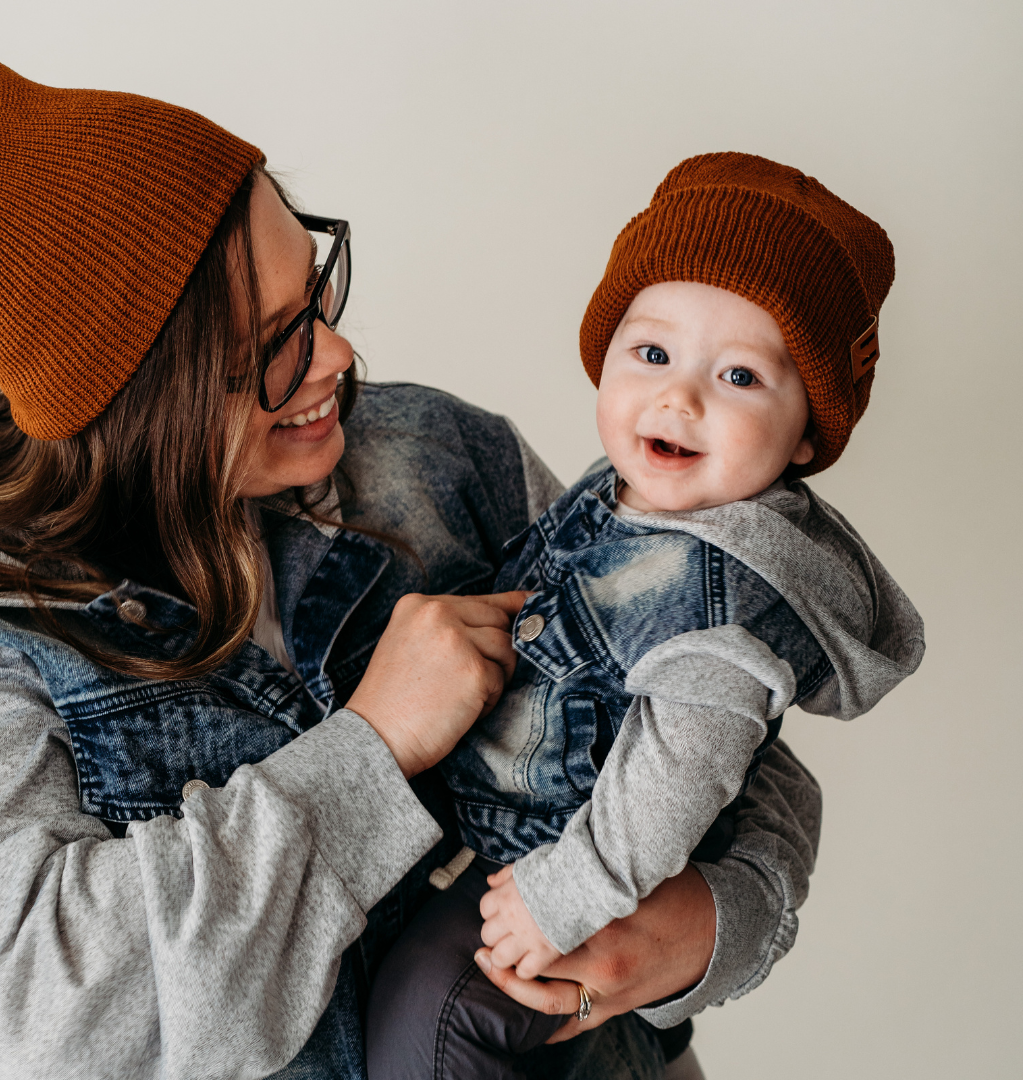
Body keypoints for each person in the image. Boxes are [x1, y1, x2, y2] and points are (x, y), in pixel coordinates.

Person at [0, 45, 821, 1080]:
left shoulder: (443, 458)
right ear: (139, 404)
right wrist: (372, 749)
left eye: (314, 286)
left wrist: (709, 932)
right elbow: (25, 1019)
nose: (337, 357)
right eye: (273, 343)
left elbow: (726, 725)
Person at [366, 154, 926, 1080]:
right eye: (653, 354)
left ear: (807, 436)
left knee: (427, 1027)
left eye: (740, 377)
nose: (681, 397)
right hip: (498, 835)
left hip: (561, 871)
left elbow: (679, 775)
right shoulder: (627, 494)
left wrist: (565, 894)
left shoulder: (728, 591)